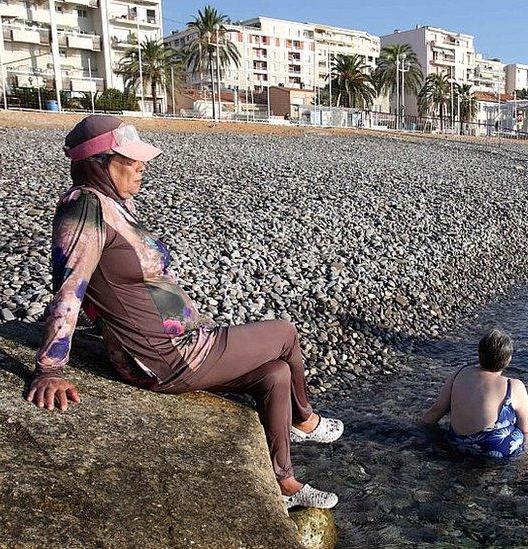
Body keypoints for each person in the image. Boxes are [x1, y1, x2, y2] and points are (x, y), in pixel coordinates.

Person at [26, 115, 341, 509]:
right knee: (283, 332)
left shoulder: (113, 205)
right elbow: (69, 288)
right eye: (130, 160)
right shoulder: (83, 209)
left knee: (275, 374)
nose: (142, 167)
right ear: (99, 163)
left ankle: (285, 483)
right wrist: (50, 369)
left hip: (183, 343)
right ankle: (305, 420)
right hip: (166, 356)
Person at [421, 329, 528, 459]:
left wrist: (420, 431)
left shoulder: (458, 374)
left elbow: (435, 412)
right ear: (508, 359)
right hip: (492, 450)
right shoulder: (513, 385)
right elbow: (525, 429)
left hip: (456, 443)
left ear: (479, 353)